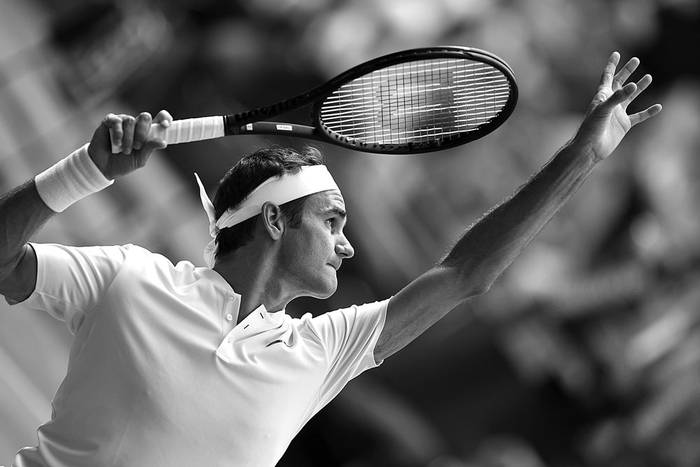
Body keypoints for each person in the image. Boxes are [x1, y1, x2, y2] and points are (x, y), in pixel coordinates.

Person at [0, 52, 661, 467]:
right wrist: (83, 170)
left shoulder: (321, 351)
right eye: (332, 221)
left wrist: (583, 158)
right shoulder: (131, 276)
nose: (347, 244)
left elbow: (464, 275)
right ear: (275, 218)